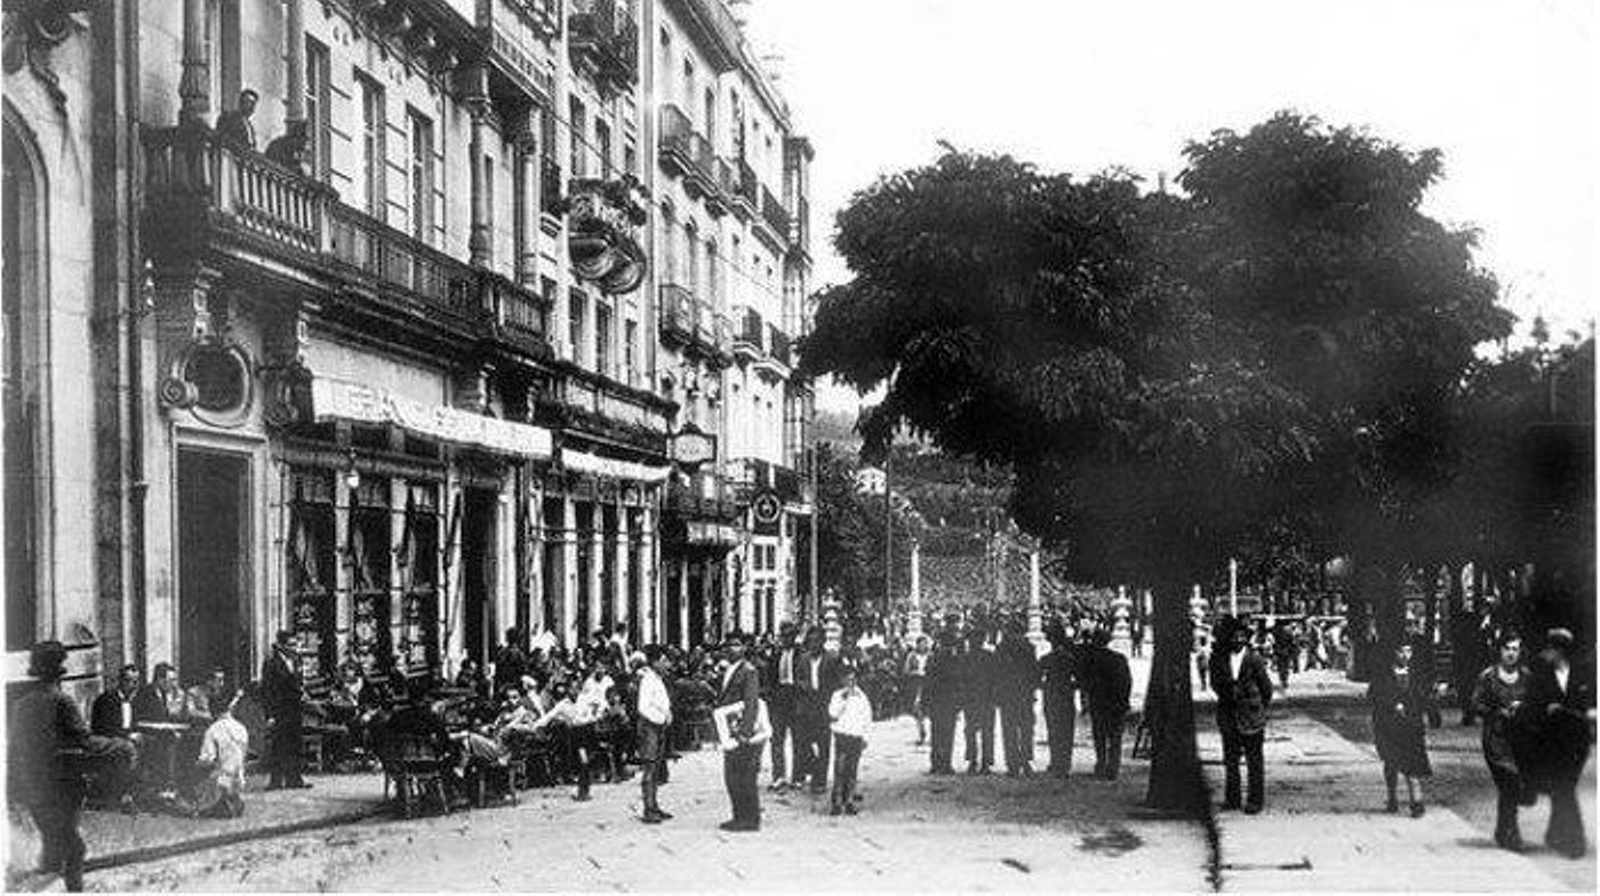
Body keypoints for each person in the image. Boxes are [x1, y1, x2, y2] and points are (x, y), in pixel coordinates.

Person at [9, 642, 136, 891]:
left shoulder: (20, 706)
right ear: (60, 672)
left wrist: (13, 791)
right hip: (61, 787)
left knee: (53, 848)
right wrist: (121, 746)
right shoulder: (62, 702)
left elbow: (14, 752)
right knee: (75, 849)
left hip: (34, 790)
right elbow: (85, 741)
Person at [1521, 628, 1595, 859]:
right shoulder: (1540, 676)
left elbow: (1591, 699)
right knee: (1564, 788)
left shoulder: (1583, 674)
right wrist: (1546, 708)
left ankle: (1556, 833)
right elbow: (1530, 707)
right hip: (1552, 742)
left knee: (1563, 787)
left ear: (1560, 651)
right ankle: (1574, 841)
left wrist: (1592, 711)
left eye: (1550, 649)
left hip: (1578, 742)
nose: (1546, 654)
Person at [1470, 631, 1530, 851]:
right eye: (1508, 648)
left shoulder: (1526, 676)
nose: (1511, 653)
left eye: (1515, 649)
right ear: (1500, 650)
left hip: (1520, 740)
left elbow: (1536, 702)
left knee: (1510, 788)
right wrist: (1498, 711)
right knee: (1510, 782)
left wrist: (1522, 707)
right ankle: (1512, 832)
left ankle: (1502, 828)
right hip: (1496, 740)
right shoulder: (1489, 676)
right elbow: (1476, 704)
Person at [1210, 618, 1272, 812]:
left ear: (1247, 638)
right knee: (1230, 760)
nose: (1238, 640)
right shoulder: (1221, 658)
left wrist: (1256, 707)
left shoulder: (1254, 659)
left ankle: (1255, 801)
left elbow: (1266, 688)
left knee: (1254, 761)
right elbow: (1216, 683)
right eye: (1235, 636)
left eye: (1242, 636)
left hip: (1251, 716)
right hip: (1228, 714)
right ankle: (1233, 799)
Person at [1370, 640, 1433, 817]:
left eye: (1409, 652)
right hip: (1388, 725)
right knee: (1391, 762)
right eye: (1401, 652)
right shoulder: (1383, 674)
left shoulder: (1416, 674)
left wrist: (1431, 713)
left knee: (1412, 763)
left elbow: (1423, 696)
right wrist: (1392, 704)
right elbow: (1374, 695)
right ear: (1394, 653)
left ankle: (1417, 803)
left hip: (1411, 724)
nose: (1406, 656)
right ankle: (1392, 797)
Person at [717, 635, 763, 832]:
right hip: (730, 728)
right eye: (729, 645)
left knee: (744, 775)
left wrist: (745, 731)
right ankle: (739, 815)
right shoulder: (729, 669)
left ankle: (749, 818)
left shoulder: (748, 671)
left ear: (744, 647)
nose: (732, 648)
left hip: (741, 730)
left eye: (737, 645)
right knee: (732, 775)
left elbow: (751, 702)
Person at [261, 630, 310, 790]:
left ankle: (294, 779)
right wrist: (270, 714)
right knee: (278, 745)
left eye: (296, 644)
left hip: (295, 708)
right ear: (281, 645)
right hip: (279, 709)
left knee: (295, 743)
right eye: (291, 645)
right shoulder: (271, 663)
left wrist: (303, 693)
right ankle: (275, 781)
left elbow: (299, 682)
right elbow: (267, 691)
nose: (294, 648)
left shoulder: (297, 659)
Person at [1083, 627, 1132, 782]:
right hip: (1116, 703)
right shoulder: (1119, 658)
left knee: (1100, 735)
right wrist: (1124, 700)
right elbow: (1127, 682)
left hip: (1098, 702)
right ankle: (1113, 768)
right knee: (1115, 737)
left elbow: (1086, 682)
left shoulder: (1090, 660)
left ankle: (1101, 764)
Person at [794, 628, 838, 793]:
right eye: (810, 641)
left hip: (823, 705)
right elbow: (797, 679)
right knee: (804, 743)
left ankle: (820, 781)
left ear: (823, 642)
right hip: (806, 706)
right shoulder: (803, 659)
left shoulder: (832, 659)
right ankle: (813, 767)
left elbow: (836, 683)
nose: (813, 644)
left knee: (823, 744)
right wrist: (802, 684)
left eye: (817, 641)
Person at [192, 691, 249, 819]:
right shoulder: (241, 728)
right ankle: (233, 799)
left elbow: (207, 760)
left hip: (220, 781)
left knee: (196, 770)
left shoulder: (213, 730)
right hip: (239, 778)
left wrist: (193, 764)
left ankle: (217, 803)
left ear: (212, 711)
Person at [995, 618, 1039, 777]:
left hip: (1007, 695)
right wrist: (1032, 690)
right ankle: (1026, 761)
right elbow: (1034, 672)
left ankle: (1012, 764)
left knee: (1009, 729)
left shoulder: (1001, 648)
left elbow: (997, 674)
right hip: (1024, 694)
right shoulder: (1029, 647)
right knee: (1026, 729)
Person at [636, 646, 675, 824]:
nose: (667, 664)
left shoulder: (657, 679)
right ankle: (648, 808)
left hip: (659, 727)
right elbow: (643, 707)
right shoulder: (647, 680)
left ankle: (654, 805)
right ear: (655, 662)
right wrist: (660, 718)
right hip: (650, 727)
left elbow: (662, 703)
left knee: (656, 767)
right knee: (650, 768)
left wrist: (667, 714)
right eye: (664, 660)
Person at [828, 662, 872, 816]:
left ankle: (849, 800)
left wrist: (865, 737)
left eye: (853, 680)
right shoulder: (837, 696)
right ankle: (837, 801)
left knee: (852, 770)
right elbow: (833, 714)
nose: (850, 683)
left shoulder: (861, 697)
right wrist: (843, 700)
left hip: (856, 736)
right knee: (840, 768)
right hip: (842, 735)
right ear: (842, 680)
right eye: (847, 680)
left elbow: (867, 719)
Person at [765, 622, 802, 791]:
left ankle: (797, 776)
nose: (785, 639)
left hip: (796, 699)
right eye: (782, 635)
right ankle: (778, 776)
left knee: (798, 740)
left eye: (788, 636)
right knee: (777, 740)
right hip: (779, 699)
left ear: (794, 636)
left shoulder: (802, 654)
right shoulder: (775, 653)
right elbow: (770, 677)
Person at [1040, 622, 1079, 778]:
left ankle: (1055, 762)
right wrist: (1069, 686)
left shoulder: (1046, 659)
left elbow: (1036, 679)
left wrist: (1046, 686)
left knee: (1053, 730)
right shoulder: (1070, 658)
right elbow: (1079, 679)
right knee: (1066, 731)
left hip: (1051, 697)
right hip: (1066, 697)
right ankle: (1065, 764)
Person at [959, 628, 998, 775]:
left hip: (973, 698)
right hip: (985, 698)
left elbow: (961, 679)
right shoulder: (989, 657)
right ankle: (985, 763)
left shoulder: (965, 658)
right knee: (986, 731)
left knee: (971, 730)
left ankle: (973, 761)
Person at [924, 630, 962, 775]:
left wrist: (925, 702)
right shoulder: (955, 660)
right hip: (950, 701)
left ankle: (935, 764)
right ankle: (946, 763)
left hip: (936, 701)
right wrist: (959, 702)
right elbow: (958, 683)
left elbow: (927, 682)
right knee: (948, 733)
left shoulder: (932, 659)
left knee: (936, 733)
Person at [902, 634, 931, 744]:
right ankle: (922, 732)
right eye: (921, 643)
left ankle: (929, 733)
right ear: (917, 644)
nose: (923, 646)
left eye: (925, 643)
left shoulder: (931, 655)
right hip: (916, 683)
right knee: (918, 708)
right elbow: (906, 670)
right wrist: (915, 672)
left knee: (929, 709)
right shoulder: (911, 656)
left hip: (928, 683)